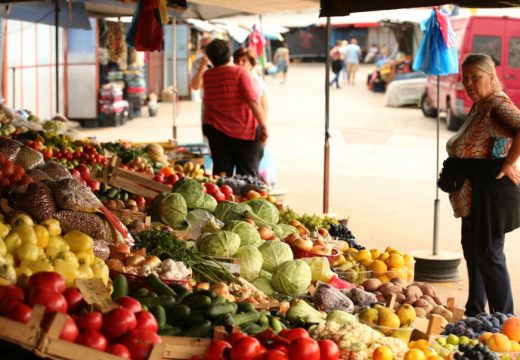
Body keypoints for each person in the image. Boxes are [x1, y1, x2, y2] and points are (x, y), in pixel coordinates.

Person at [438, 53, 520, 316]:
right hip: (476, 193)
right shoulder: (482, 105)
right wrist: (502, 158)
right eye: (465, 79)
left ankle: (506, 321)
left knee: (488, 253)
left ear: (492, 76)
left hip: (489, 193)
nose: (469, 83)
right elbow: (493, 144)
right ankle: (476, 312)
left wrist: (508, 163)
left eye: (476, 77)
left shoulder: (496, 102)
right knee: (475, 252)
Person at [202, 39, 268, 177]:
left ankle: (222, 198)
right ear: (229, 54)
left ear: (210, 57)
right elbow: (253, 101)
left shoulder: (207, 75)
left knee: (221, 175)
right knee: (246, 176)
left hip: (216, 132)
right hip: (245, 131)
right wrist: (264, 125)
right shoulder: (239, 72)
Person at [233, 47, 268, 117]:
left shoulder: (257, 81)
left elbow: (263, 106)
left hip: (253, 122)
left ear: (251, 64)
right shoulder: (231, 80)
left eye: (244, 61)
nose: (240, 63)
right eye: (237, 61)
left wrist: (263, 125)